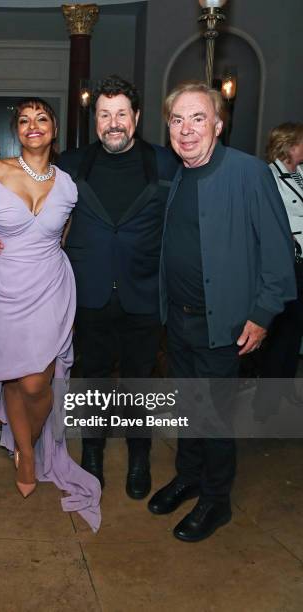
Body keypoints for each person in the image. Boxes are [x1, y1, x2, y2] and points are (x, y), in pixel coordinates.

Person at [149, 81, 296, 542]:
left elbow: (277, 254)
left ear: (217, 123)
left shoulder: (249, 173)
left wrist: (262, 314)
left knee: (213, 415)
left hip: (224, 324)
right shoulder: (176, 172)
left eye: (197, 118)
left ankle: (216, 500)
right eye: (177, 119)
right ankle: (190, 476)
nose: (186, 129)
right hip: (179, 319)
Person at [0, 97, 101, 531]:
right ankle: (27, 455)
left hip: (51, 285)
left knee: (41, 379)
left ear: (54, 128)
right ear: (18, 129)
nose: (34, 126)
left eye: (43, 118)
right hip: (5, 288)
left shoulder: (68, 185)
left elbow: (63, 237)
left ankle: (25, 442)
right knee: (17, 374)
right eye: (25, 120)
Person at [57, 75, 178, 497]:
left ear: (137, 117)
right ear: (95, 120)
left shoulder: (165, 163)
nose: (113, 123)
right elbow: (42, 214)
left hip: (143, 295)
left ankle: (139, 457)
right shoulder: (71, 165)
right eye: (105, 114)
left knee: (139, 381)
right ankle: (91, 454)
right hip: (89, 294)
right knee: (91, 379)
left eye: (121, 114)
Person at [256, 123, 303, 401]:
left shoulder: (301, 173)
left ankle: (285, 387)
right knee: (281, 332)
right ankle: (267, 399)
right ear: (290, 144)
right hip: (289, 264)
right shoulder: (268, 177)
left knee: (296, 329)